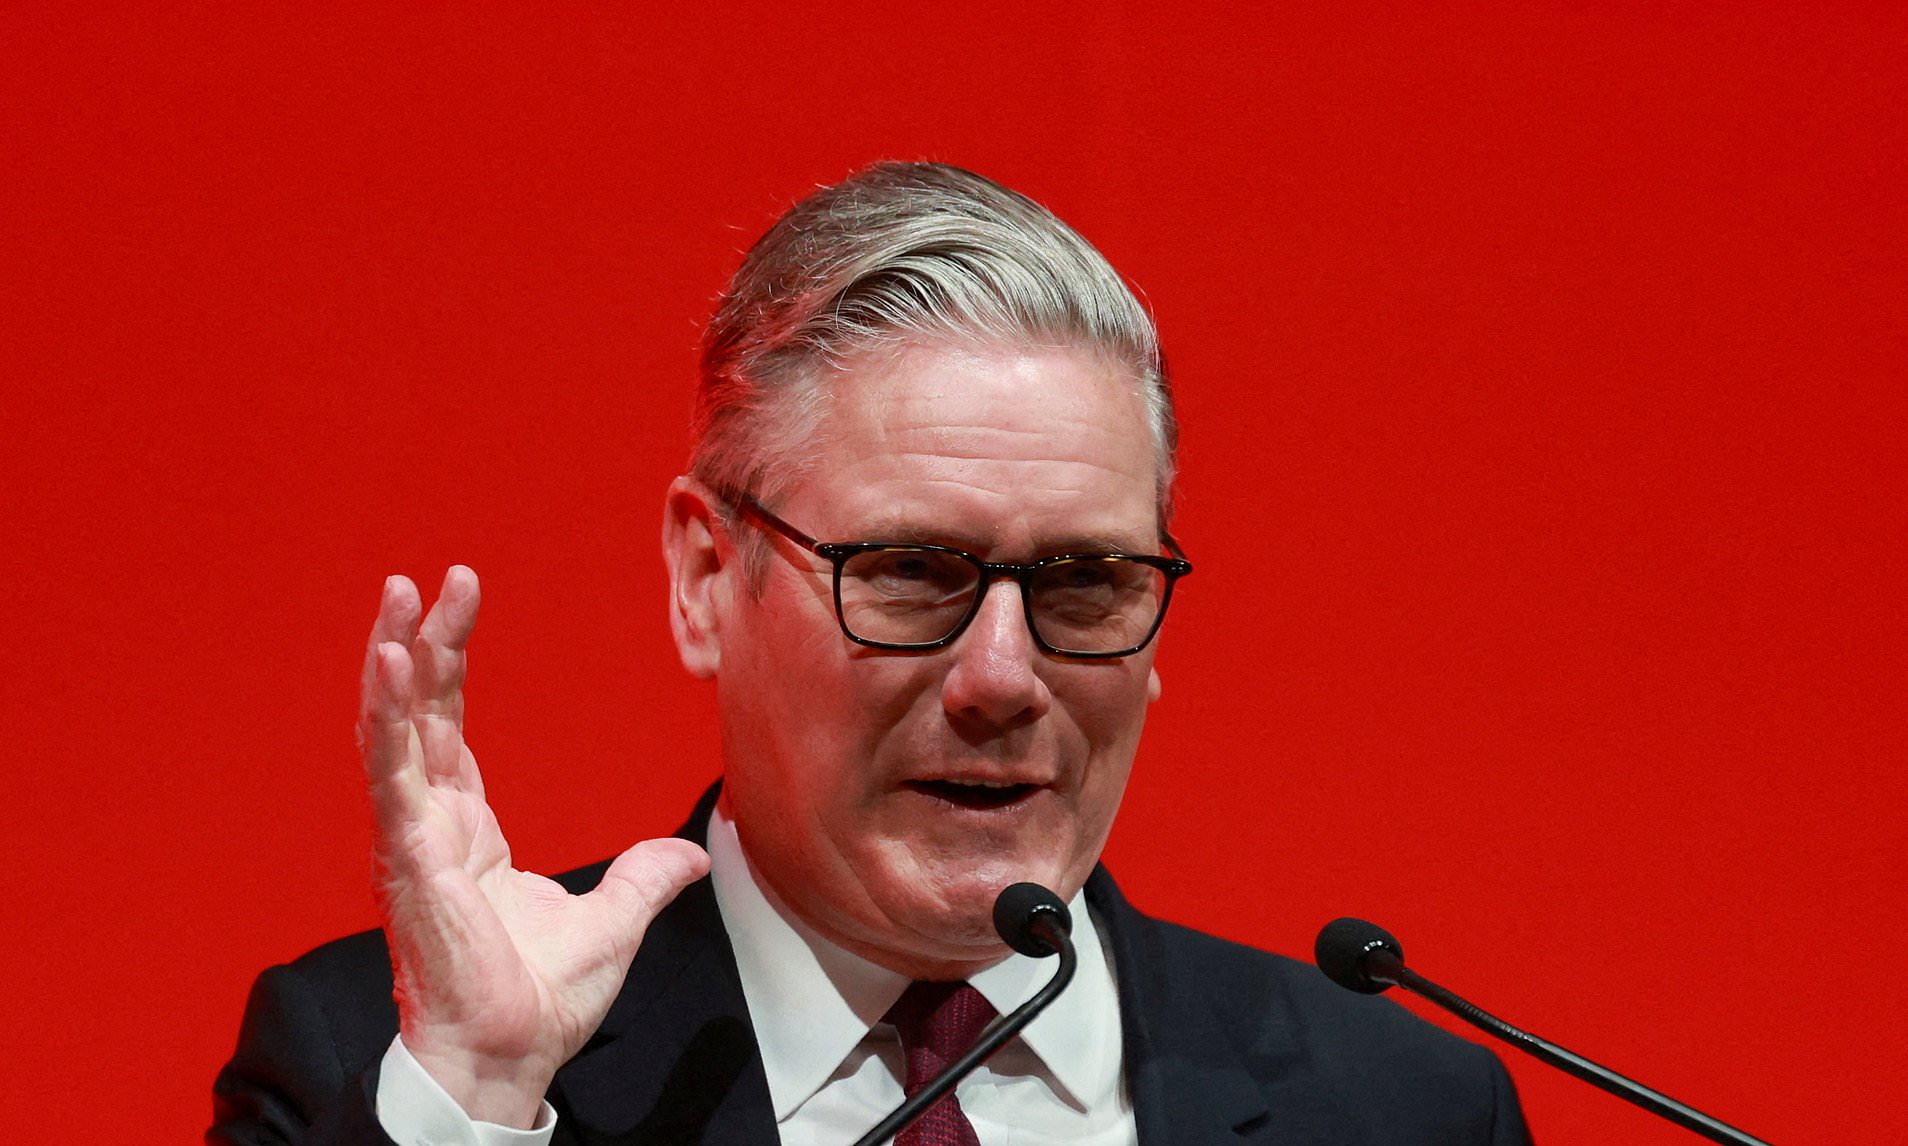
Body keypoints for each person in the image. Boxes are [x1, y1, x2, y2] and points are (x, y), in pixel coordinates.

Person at [211, 162, 1531, 1145]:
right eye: (909, 572)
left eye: (1084, 582)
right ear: (706, 578)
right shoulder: (388, 1073)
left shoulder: (1405, 1109)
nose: (1002, 677)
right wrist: (480, 1104)